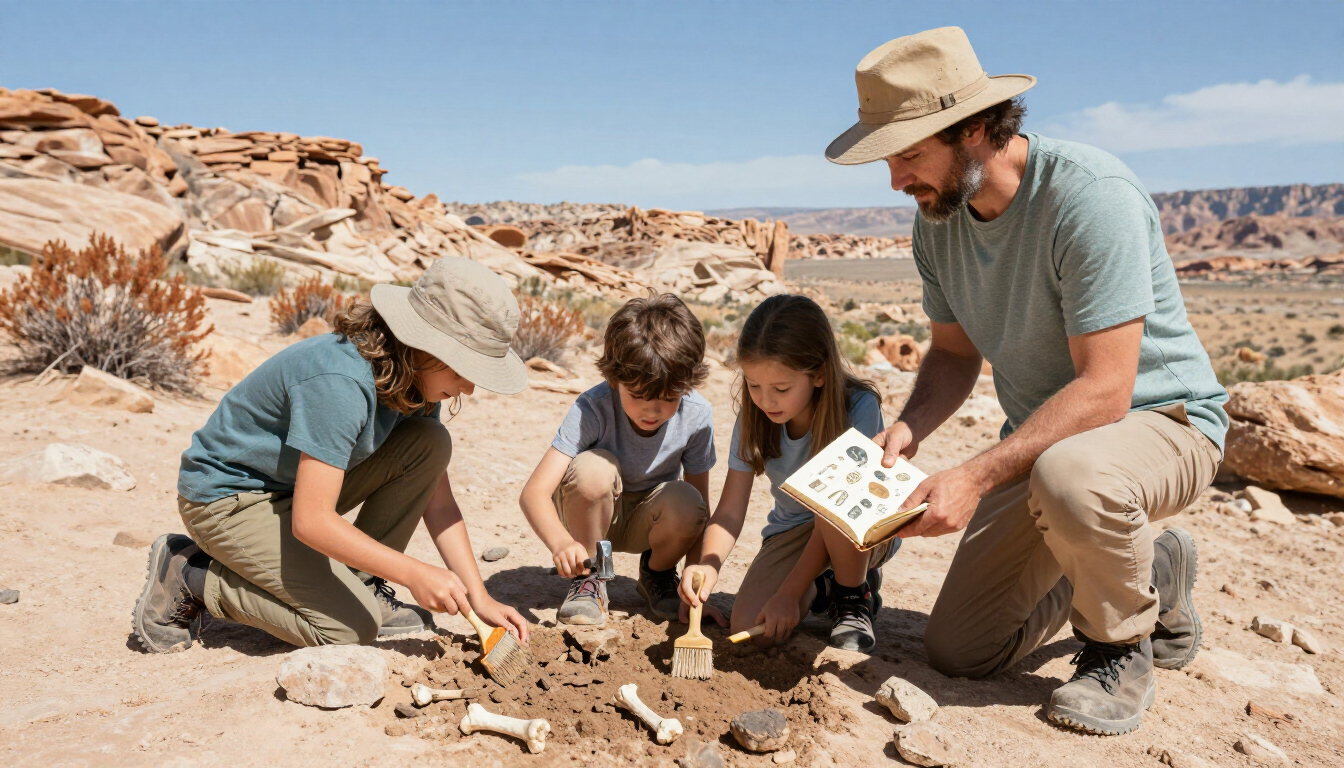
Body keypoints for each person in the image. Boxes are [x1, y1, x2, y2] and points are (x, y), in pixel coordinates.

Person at [824, 27, 1227, 735]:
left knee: (1075, 478)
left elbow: (1106, 390)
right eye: (888, 160)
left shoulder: (1088, 196)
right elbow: (953, 356)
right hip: (1053, 447)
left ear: (975, 128)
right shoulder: (937, 221)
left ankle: (1118, 648)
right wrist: (909, 427)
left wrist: (974, 478)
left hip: (1162, 424)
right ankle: (1148, 567)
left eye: (910, 154)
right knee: (961, 651)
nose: (895, 180)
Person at [132, 257, 531, 653]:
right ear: (421, 345)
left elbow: (439, 503)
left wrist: (480, 597)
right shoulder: (339, 382)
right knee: (348, 630)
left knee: (430, 442)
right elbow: (311, 521)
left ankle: (359, 585)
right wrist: (412, 573)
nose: (470, 389)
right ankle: (191, 574)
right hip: (228, 501)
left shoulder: (415, 380)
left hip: (295, 492)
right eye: (462, 368)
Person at [679, 294, 896, 652]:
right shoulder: (753, 417)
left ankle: (853, 592)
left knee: (829, 517)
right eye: (753, 385)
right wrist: (707, 567)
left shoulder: (858, 408)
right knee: (752, 626)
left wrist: (789, 592)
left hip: (856, 523)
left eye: (781, 389)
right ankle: (825, 584)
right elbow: (731, 512)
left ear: (820, 375)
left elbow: (837, 510)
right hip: (795, 530)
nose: (766, 401)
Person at [519, 293, 714, 625]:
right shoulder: (592, 407)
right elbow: (533, 494)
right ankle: (590, 579)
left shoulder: (697, 415)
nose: (651, 411)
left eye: (668, 398)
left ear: (686, 384)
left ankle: (658, 575)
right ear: (614, 378)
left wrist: (693, 586)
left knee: (688, 500)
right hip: (590, 518)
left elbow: (701, 509)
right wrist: (561, 543)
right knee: (593, 470)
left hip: (649, 522)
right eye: (637, 395)